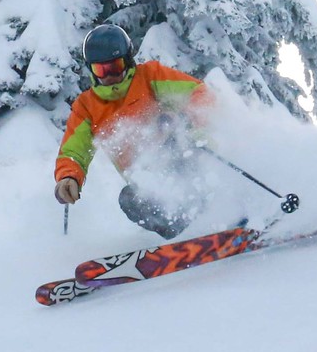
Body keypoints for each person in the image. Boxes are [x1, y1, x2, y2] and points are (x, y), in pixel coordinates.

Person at [53, 24, 213, 240]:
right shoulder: (86, 107)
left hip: (181, 158)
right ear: (91, 70)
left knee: (184, 155)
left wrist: (195, 130)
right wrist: (69, 177)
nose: (109, 76)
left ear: (127, 61)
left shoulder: (150, 76)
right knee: (129, 199)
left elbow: (198, 94)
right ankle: (184, 237)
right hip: (147, 181)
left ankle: (215, 212)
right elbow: (74, 151)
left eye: (115, 67)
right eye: (101, 70)